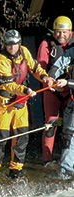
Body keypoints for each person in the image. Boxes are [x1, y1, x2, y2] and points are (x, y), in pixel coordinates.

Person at [0, 29, 54, 185]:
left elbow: (34, 67)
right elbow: (8, 85)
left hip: (21, 101)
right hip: (4, 102)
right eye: (9, 45)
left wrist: (45, 77)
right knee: (2, 137)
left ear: (19, 43)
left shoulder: (24, 52)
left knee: (22, 135)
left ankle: (15, 169)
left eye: (15, 44)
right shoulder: (1, 60)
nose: (12, 48)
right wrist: (24, 90)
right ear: (5, 45)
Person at [37, 16, 74, 165]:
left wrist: (67, 84)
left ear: (70, 32)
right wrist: (49, 81)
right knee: (51, 125)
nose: (61, 35)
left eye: (64, 32)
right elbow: (40, 70)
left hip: (70, 92)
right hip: (52, 91)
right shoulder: (47, 44)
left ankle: (66, 161)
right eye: (58, 32)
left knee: (69, 128)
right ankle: (47, 160)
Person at [48, 46, 74, 179]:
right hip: (73, 101)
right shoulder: (72, 51)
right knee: (68, 135)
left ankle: (66, 169)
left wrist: (67, 83)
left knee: (70, 134)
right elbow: (60, 63)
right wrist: (51, 78)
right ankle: (67, 169)